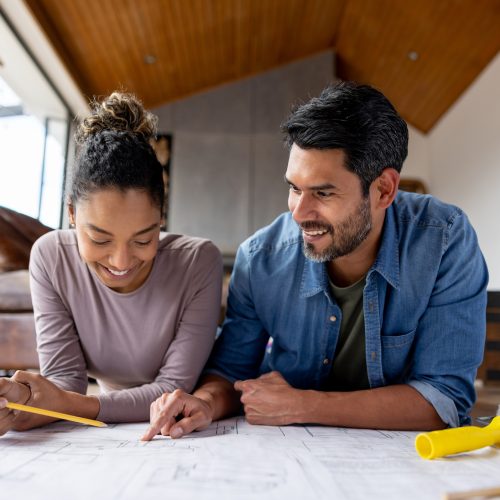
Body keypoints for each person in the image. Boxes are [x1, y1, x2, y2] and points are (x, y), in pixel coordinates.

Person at [142, 81, 488, 441]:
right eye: (294, 188)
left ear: (384, 190)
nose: (299, 213)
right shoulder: (260, 259)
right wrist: (206, 403)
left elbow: (445, 398)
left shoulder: (444, 241)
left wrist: (305, 405)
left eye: (323, 193)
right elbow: (230, 373)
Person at [0, 92, 222, 435]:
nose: (120, 262)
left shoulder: (197, 262)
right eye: (100, 240)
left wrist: (68, 404)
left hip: (191, 419)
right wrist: (22, 399)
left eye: (143, 240)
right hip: (114, 424)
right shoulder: (51, 257)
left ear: (161, 217)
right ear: (72, 213)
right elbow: (66, 381)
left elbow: (174, 386)